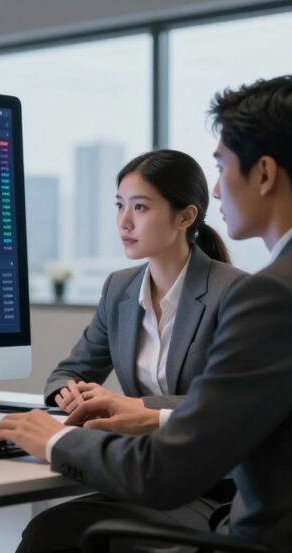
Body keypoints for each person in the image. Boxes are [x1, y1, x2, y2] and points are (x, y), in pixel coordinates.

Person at [0, 75, 292, 553]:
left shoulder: (274, 295)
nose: (218, 190)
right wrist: (147, 415)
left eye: (222, 166)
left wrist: (52, 441)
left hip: (263, 540)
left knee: (53, 535)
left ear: (264, 174)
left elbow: (166, 474)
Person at [45, 149, 246, 441]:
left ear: (185, 217)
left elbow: (228, 402)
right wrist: (71, 393)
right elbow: (67, 373)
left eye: (140, 207)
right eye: (119, 205)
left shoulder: (233, 291)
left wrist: (132, 406)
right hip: (142, 458)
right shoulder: (118, 288)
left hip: (211, 465)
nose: (124, 221)